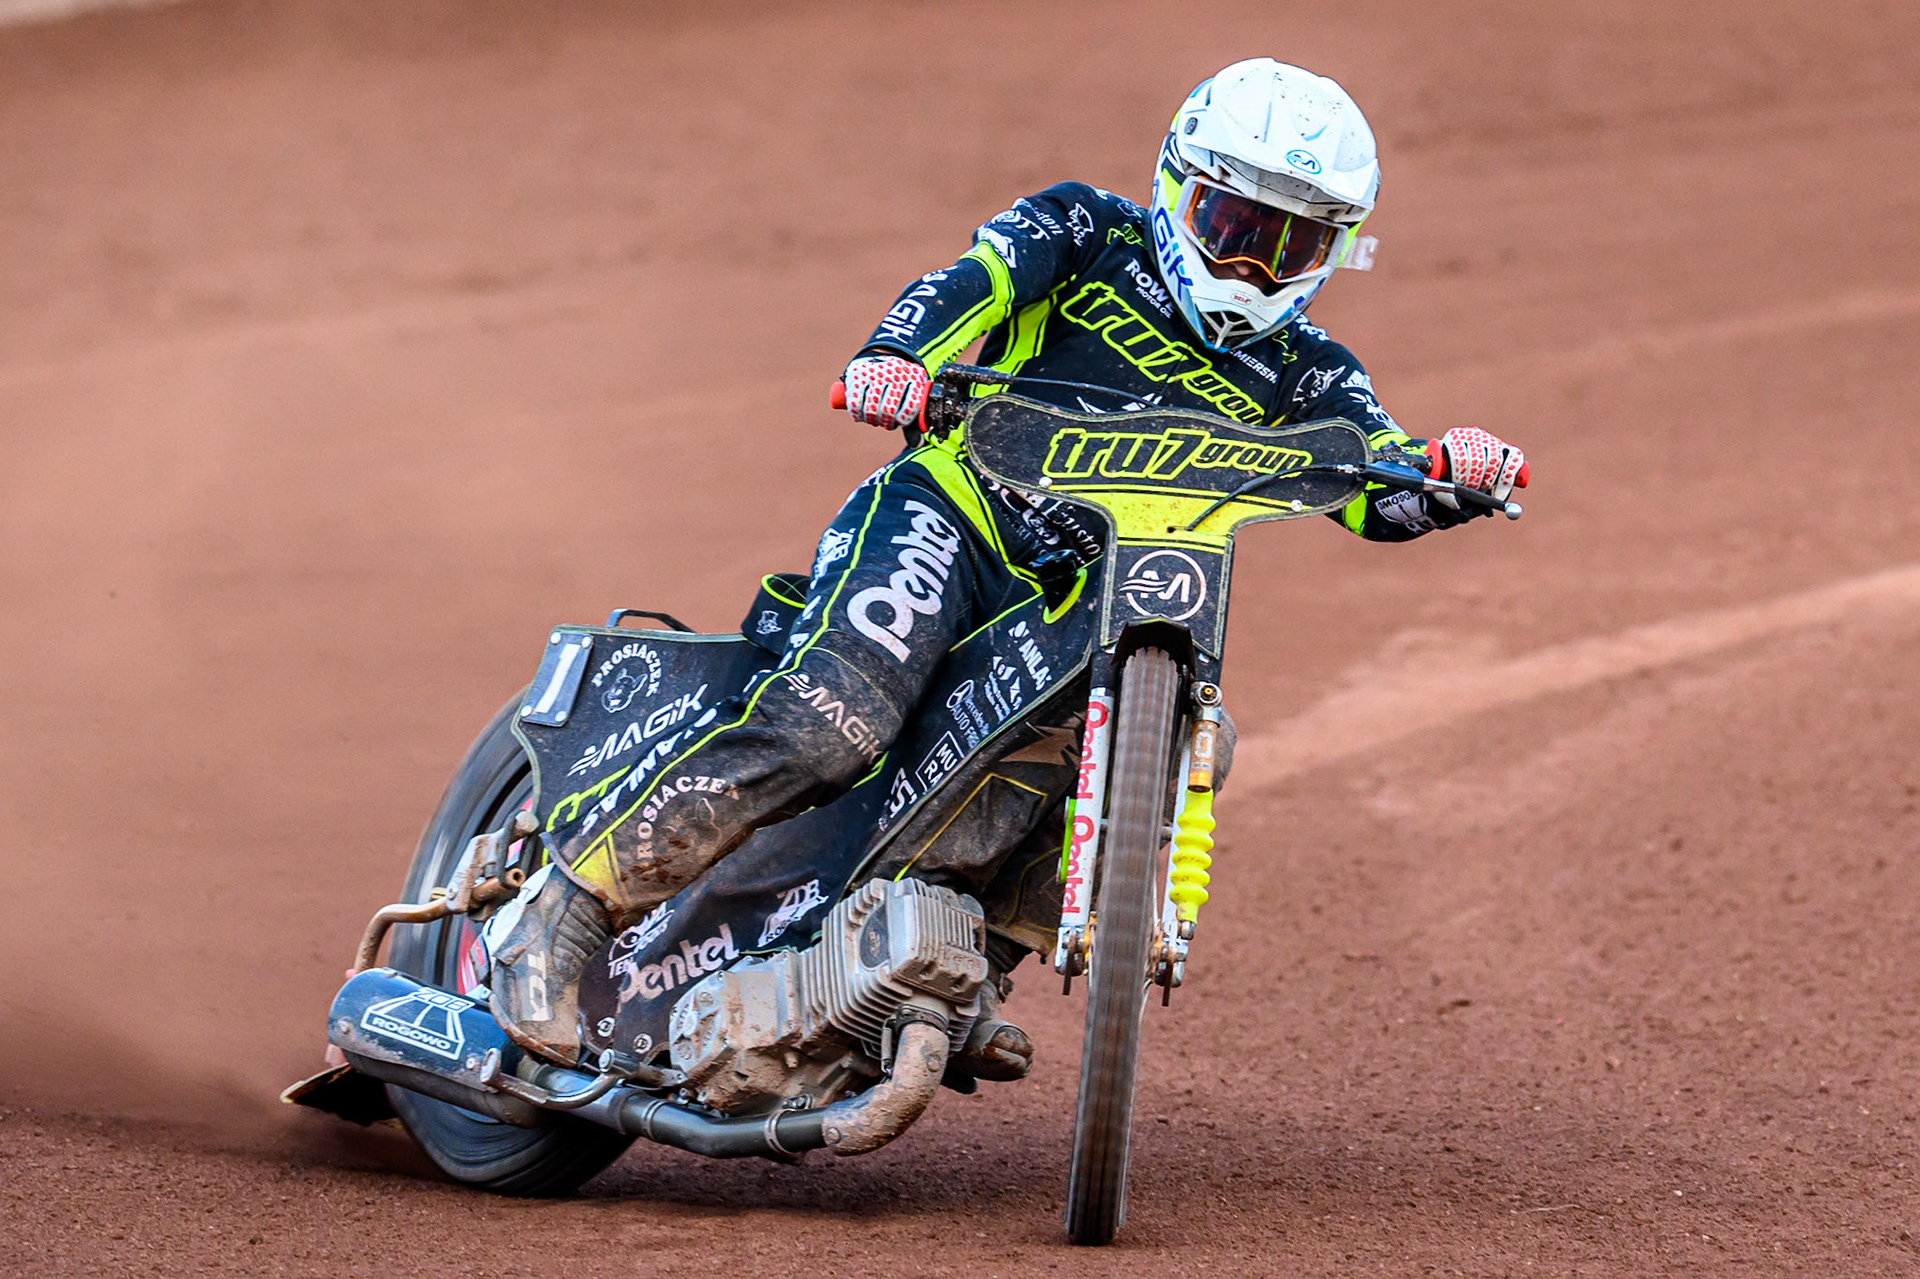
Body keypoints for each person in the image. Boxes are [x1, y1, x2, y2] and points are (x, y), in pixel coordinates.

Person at [490, 57, 1527, 1069]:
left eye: (1293, 244)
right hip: (954, 518)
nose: (1254, 267)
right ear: (1178, 185)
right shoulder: (1085, 230)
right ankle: (563, 915)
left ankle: (963, 959)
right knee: (833, 720)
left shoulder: (1306, 369)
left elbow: (1374, 479)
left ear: (1338, 251)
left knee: (1184, 746)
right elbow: (971, 284)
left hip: (1089, 600)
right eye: (1235, 227)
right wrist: (897, 357)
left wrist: (1452, 470)